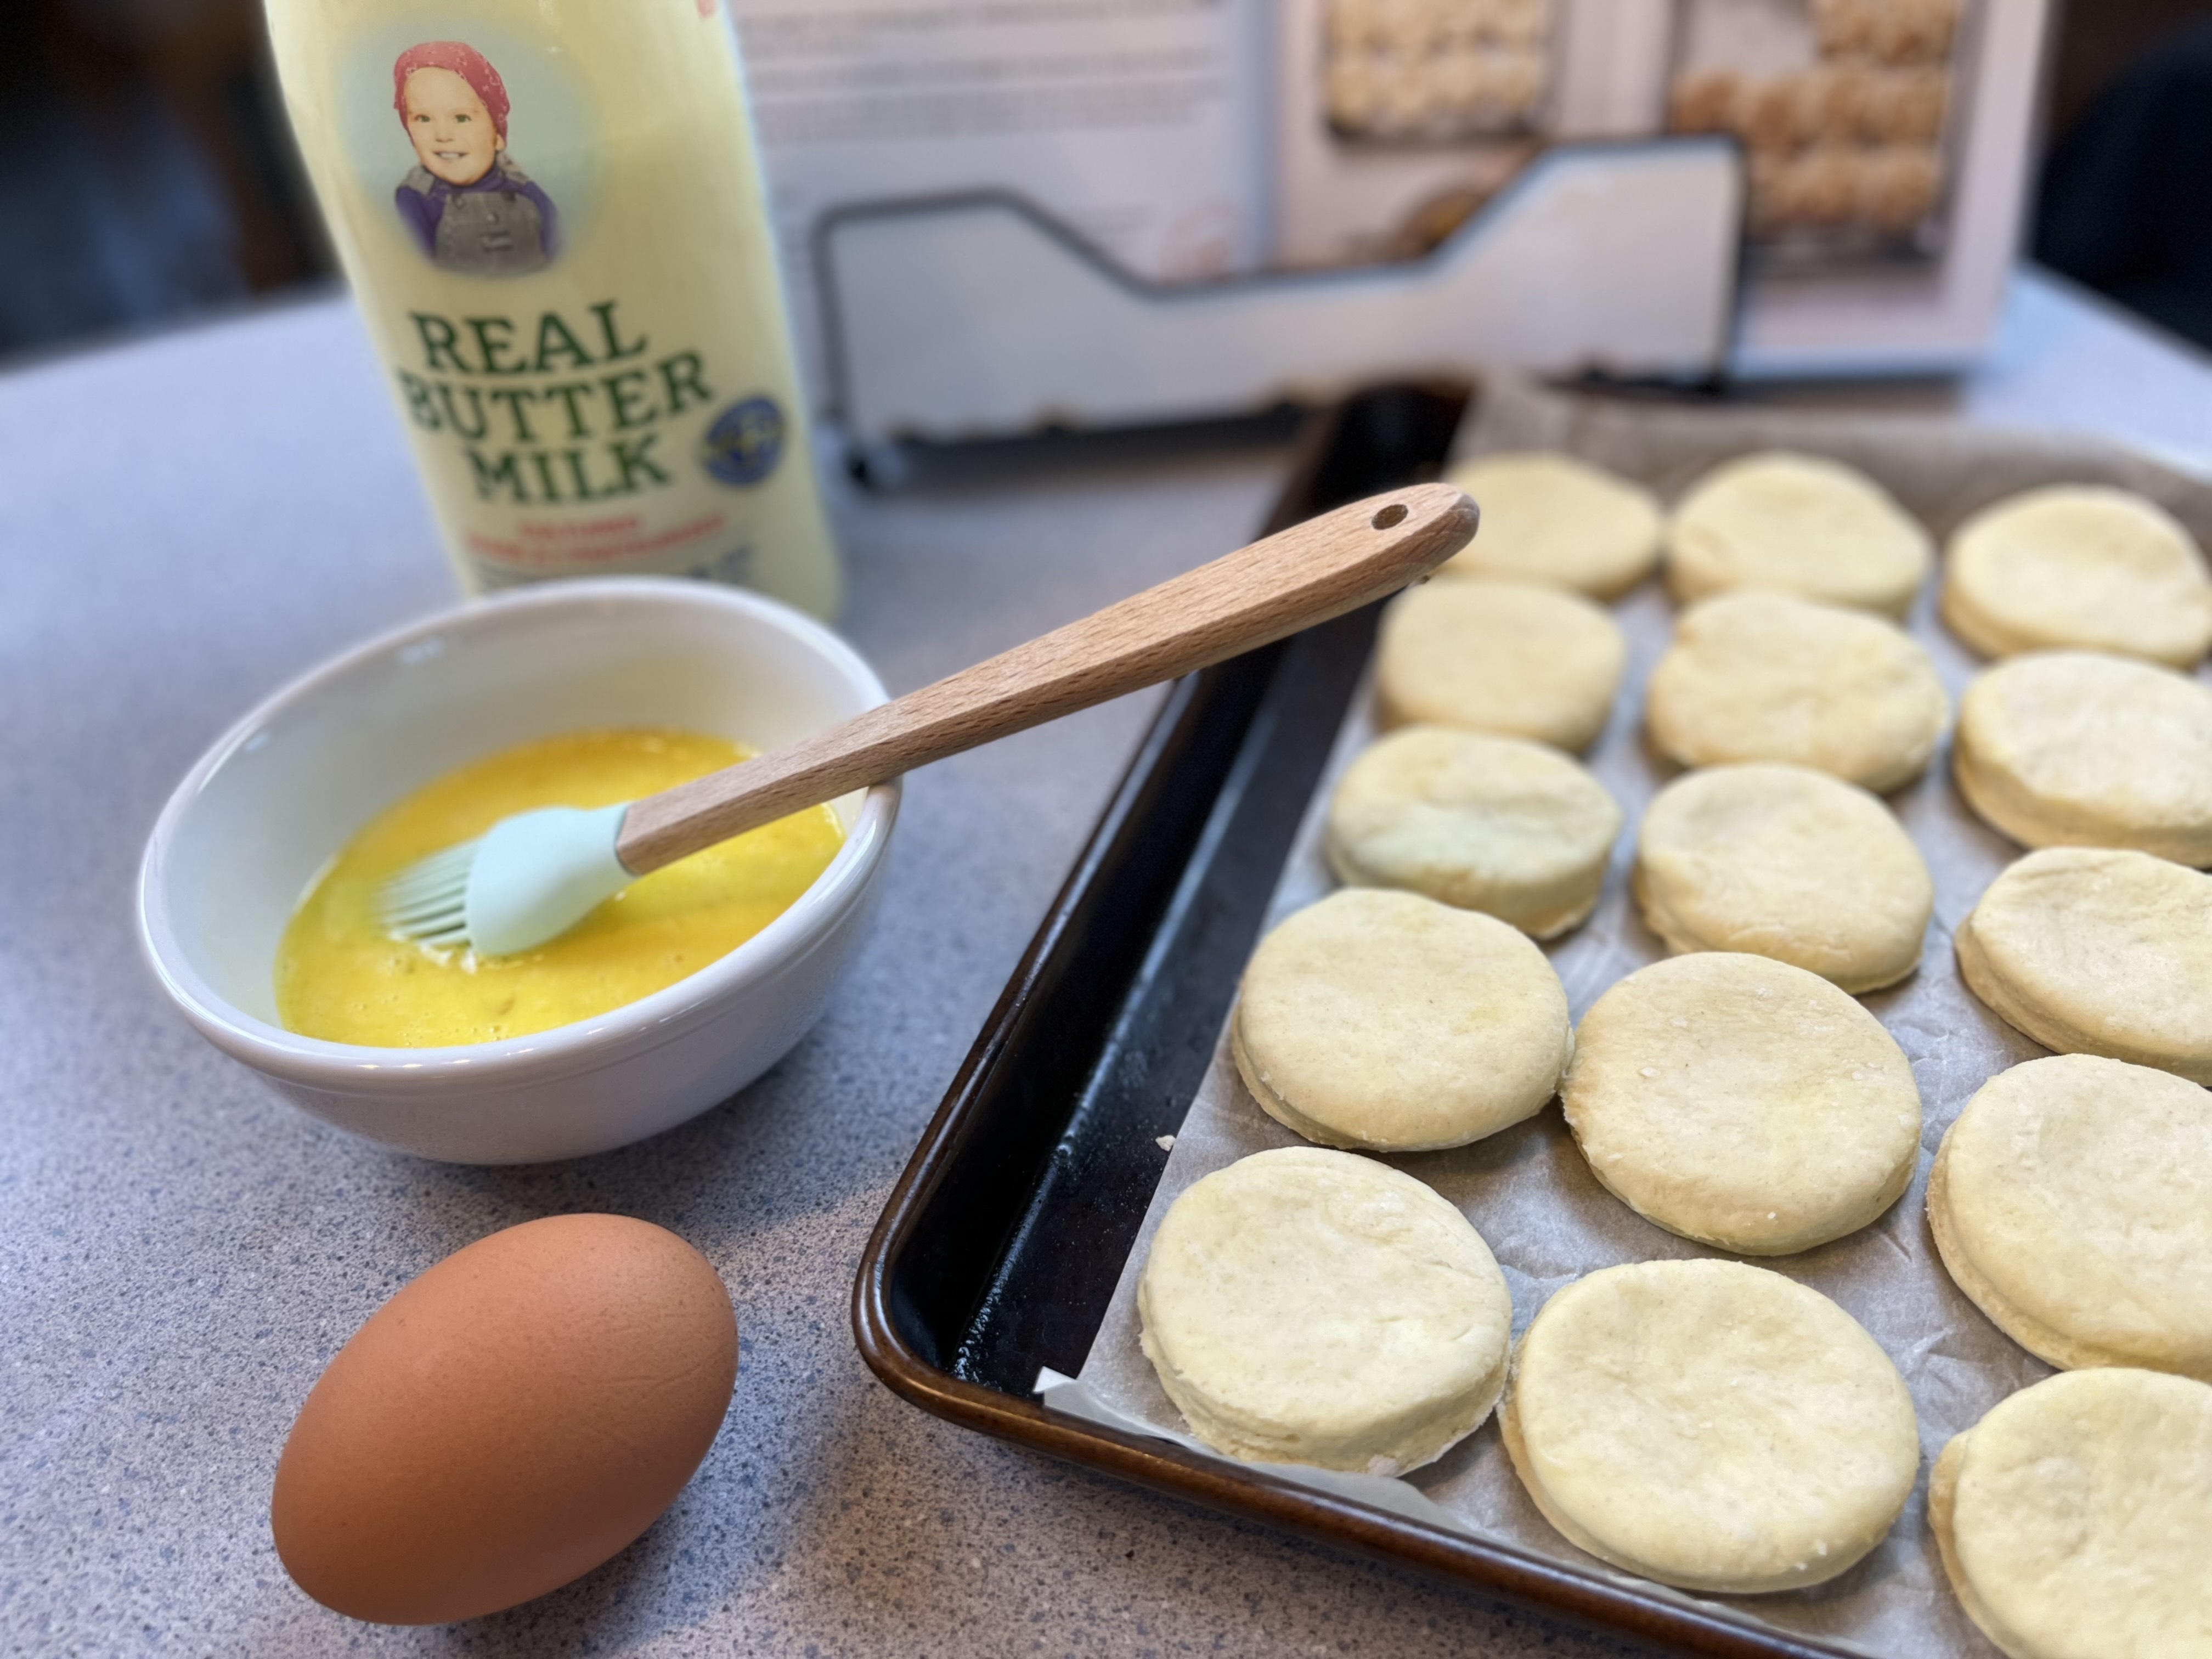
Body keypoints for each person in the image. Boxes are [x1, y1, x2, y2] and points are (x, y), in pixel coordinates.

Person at [391, 41, 558, 277]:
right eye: (424, 119)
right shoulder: (416, 198)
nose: (443, 135)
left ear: (497, 135)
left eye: (461, 118)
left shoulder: (525, 191)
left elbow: (561, 252)